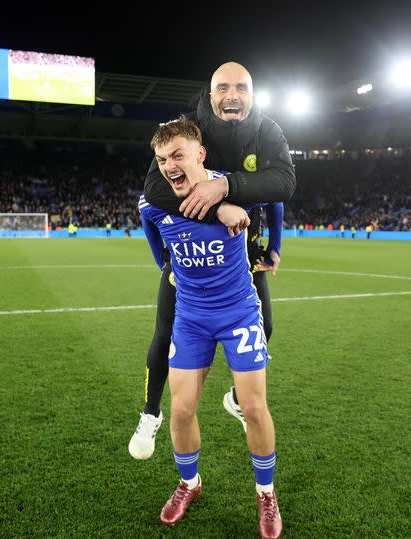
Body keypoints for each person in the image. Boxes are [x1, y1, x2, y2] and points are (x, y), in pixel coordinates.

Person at [129, 61, 294, 461]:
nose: (231, 96)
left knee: (265, 326)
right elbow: (153, 189)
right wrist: (214, 209)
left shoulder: (267, 131)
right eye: (223, 88)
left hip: (242, 249)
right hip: (186, 256)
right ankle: (151, 412)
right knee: (164, 332)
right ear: (210, 92)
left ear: (251, 94)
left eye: (240, 88)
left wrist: (267, 233)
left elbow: (282, 185)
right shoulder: (188, 126)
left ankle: (238, 399)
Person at [141, 117, 282, 538]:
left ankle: (266, 493)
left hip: (238, 312)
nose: (169, 165)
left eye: (177, 155)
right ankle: (189, 483)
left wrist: (274, 245)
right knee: (181, 409)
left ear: (199, 154)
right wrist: (170, 269)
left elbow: (276, 198)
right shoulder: (154, 203)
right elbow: (155, 240)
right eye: (162, 158)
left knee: (254, 408)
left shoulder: (234, 187)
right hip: (191, 317)